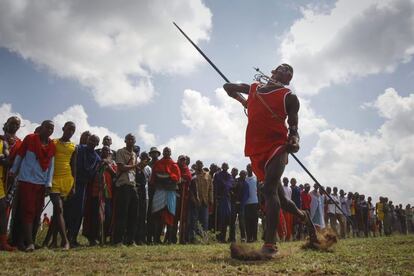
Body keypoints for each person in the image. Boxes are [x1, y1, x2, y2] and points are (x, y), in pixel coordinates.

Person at [224, 63, 317, 256]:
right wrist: (244, 100)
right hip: (256, 148)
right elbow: (228, 88)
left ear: (288, 79)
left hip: (277, 146)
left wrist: (294, 142)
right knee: (282, 201)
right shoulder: (255, 88)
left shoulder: (289, 97)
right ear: (273, 72)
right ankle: (304, 217)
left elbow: (293, 129)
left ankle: (270, 245)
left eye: (287, 71)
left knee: (268, 190)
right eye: (280, 68)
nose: (282, 71)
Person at [9, 120, 56, 252]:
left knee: (36, 213)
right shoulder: (30, 139)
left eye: (52, 128)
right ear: (41, 128)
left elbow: (51, 167)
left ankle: (25, 241)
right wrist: (13, 170)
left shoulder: (52, 145)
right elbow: (20, 154)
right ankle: (28, 243)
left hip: (41, 184)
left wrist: (48, 183)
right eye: (47, 127)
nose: (50, 130)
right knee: (27, 211)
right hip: (26, 180)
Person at [65, 134, 100, 247]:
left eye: (94, 141)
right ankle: (61, 239)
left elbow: (93, 173)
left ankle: (72, 238)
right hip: (70, 182)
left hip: (83, 186)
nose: (91, 142)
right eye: (90, 140)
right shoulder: (78, 149)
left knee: (78, 212)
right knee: (66, 210)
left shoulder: (97, 158)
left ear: (97, 144)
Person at [47, 121, 76, 250]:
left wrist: (73, 185)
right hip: (53, 179)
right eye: (69, 129)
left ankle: (54, 241)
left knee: (57, 211)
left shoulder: (73, 147)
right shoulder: (53, 142)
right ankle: (65, 241)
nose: (70, 132)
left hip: (67, 179)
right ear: (63, 128)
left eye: (73, 130)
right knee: (58, 208)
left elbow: (73, 166)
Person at [83, 146, 117, 245]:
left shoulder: (112, 163)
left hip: (108, 193)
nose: (106, 152)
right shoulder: (96, 161)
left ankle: (104, 237)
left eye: (108, 151)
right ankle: (93, 238)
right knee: (95, 216)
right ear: (101, 152)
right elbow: (91, 173)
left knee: (108, 215)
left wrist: (108, 166)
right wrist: (100, 165)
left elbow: (115, 174)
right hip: (95, 192)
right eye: (104, 150)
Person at [112, 134, 139, 245]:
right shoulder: (120, 152)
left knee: (133, 214)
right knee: (122, 214)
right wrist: (136, 166)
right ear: (125, 140)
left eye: (132, 139)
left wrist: (137, 166)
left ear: (135, 141)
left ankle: (130, 240)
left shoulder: (134, 154)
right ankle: (118, 240)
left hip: (132, 186)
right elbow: (121, 167)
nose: (130, 140)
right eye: (128, 139)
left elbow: (134, 172)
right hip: (123, 185)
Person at [150, 147, 181, 244]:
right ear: (163, 153)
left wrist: (168, 176)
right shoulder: (158, 164)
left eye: (168, 151)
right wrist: (167, 176)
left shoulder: (174, 165)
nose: (167, 152)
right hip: (160, 191)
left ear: (170, 153)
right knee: (158, 215)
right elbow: (154, 177)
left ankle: (170, 239)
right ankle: (156, 239)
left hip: (171, 192)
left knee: (170, 215)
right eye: (165, 151)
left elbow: (177, 178)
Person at [188, 160, 213, 243]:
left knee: (205, 221)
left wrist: (211, 199)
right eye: (197, 164)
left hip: (205, 201)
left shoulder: (207, 176)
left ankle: (204, 239)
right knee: (194, 220)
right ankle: (193, 238)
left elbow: (210, 189)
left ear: (202, 165)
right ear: (196, 165)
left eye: (200, 164)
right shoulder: (192, 175)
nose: (199, 165)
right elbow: (190, 189)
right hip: (195, 202)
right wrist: (193, 199)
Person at [0, 135, 15, 251]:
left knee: (3, 209)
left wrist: (3, 159)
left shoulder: (3, 142)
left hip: (0, 181)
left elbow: (8, 161)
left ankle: (3, 242)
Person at [214, 162, 233, 243]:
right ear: (222, 167)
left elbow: (230, 185)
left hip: (227, 199)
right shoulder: (217, 175)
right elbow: (215, 186)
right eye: (224, 166)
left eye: (226, 166)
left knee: (226, 219)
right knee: (219, 218)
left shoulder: (229, 176)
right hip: (220, 198)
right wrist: (216, 197)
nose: (225, 167)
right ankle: (218, 238)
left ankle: (223, 238)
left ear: (228, 167)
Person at [135, 152, 152, 245]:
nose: (146, 160)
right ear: (141, 158)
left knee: (143, 217)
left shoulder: (149, 169)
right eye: (144, 158)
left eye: (147, 158)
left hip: (145, 195)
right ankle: (134, 238)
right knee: (135, 215)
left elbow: (149, 181)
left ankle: (141, 238)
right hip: (136, 193)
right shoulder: (136, 166)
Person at [175, 155, 192, 244]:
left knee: (183, 218)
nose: (182, 162)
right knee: (174, 217)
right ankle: (171, 238)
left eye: (184, 160)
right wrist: (179, 179)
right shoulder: (175, 166)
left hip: (184, 196)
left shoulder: (186, 169)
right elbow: (174, 176)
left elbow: (188, 177)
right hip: (175, 194)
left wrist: (182, 179)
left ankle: (182, 238)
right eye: (181, 160)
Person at [146, 146, 161, 244]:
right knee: (149, 215)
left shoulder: (162, 164)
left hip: (160, 191)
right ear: (150, 154)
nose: (154, 154)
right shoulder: (148, 165)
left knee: (159, 215)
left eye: (156, 153)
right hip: (149, 191)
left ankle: (157, 238)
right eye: (152, 153)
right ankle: (148, 238)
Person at [229, 170, 248, 243]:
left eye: (244, 174)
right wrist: (233, 196)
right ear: (239, 174)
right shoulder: (235, 181)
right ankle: (232, 238)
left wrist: (241, 202)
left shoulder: (246, 184)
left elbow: (246, 195)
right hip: (234, 204)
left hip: (241, 205)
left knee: (242, 222)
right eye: (242, 174)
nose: (243, 175)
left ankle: (243, 237)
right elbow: (231, 189)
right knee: (232, 221)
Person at [244, 164, 259, 243]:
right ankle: (249, 238)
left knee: (254, 221)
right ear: (246, 169)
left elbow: (259, 191)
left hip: (255, 202)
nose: (249, 169)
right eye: (248, 167)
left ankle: (255, 238)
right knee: (247, 221)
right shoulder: (244, 179)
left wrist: (259, 203)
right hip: (246, 203)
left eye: (251, 168)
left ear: (253, 169)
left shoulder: (256, 178)